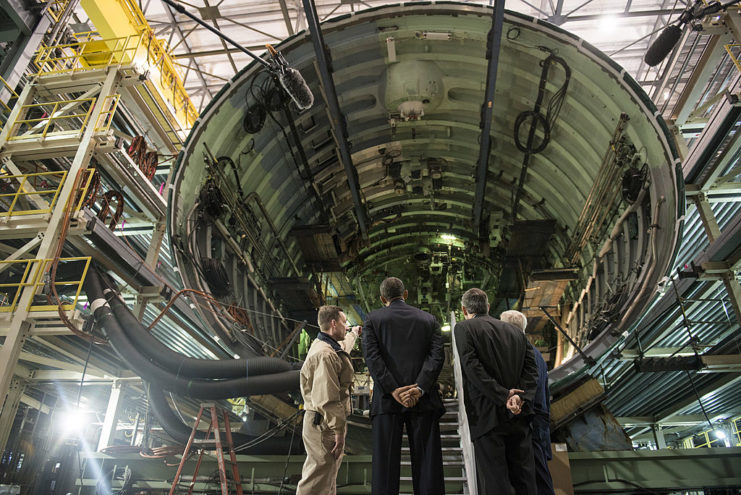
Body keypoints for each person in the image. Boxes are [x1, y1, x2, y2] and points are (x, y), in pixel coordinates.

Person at [362, 277, 445, 495]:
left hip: (387, 403)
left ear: (382, 299)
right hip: (424, 401)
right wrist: (419, 388)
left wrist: (393, 389)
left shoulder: (372, 320)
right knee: (428, 468)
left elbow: (372, 358)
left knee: (385, 470)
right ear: (405, 294)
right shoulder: (429, 319)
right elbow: (437, 357)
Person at [453, 289, 539, 495]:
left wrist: (503, 396)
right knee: (525, 479)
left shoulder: (464, 328)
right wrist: (520, 397)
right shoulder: (516, 332)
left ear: (464, 309)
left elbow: (473, 368)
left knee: (495, 480)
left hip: (486, 415)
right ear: (488, 307)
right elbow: (531, 370)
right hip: (518, 414)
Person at [296, 305, 361, 495]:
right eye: (344, 322)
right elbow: (328, 401)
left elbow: (343, 348)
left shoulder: (328, 346)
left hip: (325, 422)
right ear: (333, 323)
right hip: (324, 424)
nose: (346, 326)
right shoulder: (324, 355)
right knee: (316, 480)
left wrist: (355, 333)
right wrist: (338, 431)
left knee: (327, 477)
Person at [501, 310, 556, 495]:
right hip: (539, 421)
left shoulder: (522, 353)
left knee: (535, 477)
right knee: (538, 475)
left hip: (530, 422)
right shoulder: (537, 354)